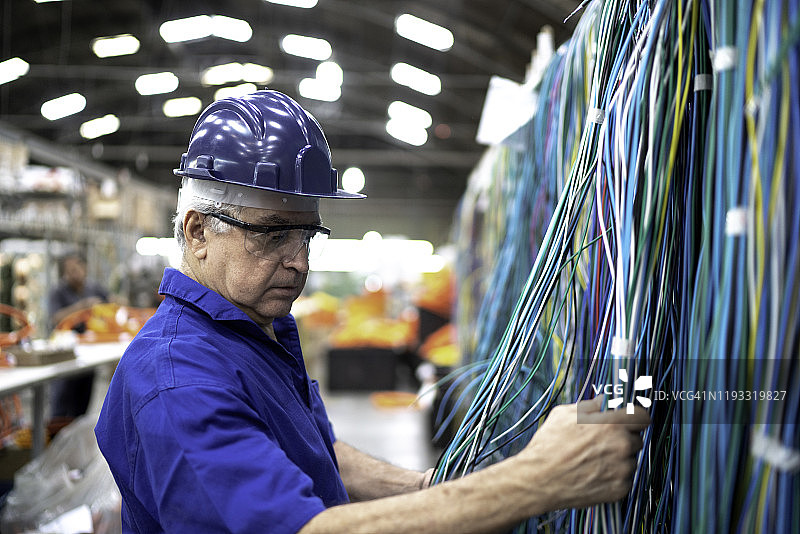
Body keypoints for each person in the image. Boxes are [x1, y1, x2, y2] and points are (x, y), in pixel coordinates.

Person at [95, 90, 649, 533]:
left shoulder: (253, 330)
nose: (299, 262)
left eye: (308, 234)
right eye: (273, 235)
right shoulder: (176, 381)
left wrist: (434, 490)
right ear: (197, 233)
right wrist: (539, 479)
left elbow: (317, 455)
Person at [48, 252, 109, 421]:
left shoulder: (94, 288)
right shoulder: (58, 291)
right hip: (65, 356)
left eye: (78, 268)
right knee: (61, 403)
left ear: (85, 268)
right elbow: (55, 317)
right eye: (70, 270)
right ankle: (56, 438)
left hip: (88, 355)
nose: (75, 273)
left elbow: (111, 302)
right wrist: (82, 307)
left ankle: (75, 437)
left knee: (82, 405)